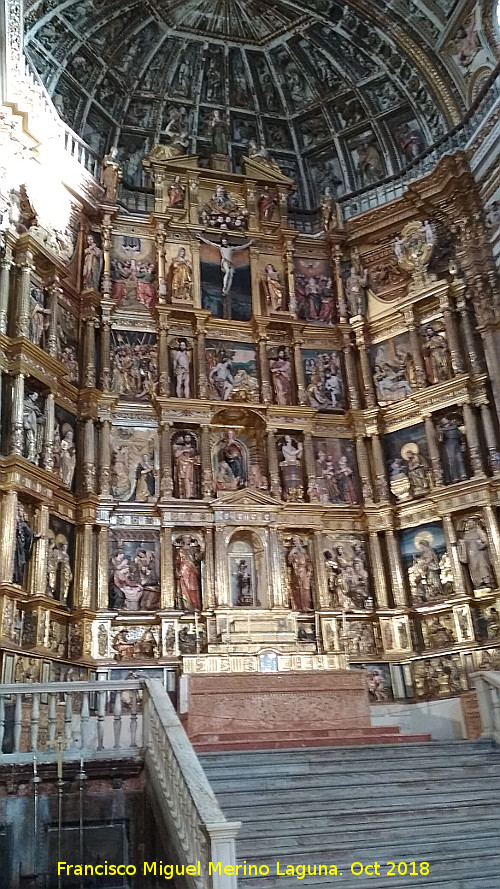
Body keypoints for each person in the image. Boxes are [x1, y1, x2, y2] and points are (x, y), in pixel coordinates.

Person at [197, 233, 254, 297]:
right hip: (225, 261)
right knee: (227, 272)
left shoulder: (231, 248)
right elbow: (210, 243)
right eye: (223, 242)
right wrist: (201, 238)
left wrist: (249, 243)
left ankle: (227, 291)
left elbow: (241, 247)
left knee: (231, 276)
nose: (224, 243)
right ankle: (224, 288)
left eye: (224, 241)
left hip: (230, 263)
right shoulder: (221, 247)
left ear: (227, 241)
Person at [458, 518, 494, 589]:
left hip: (480, 553)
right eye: (468, 523)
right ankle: (478, 583)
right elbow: (463, 545)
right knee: (474, 568)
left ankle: (487, 582)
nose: (469, 525)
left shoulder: (479, 531)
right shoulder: (466, 534)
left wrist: (482, 545)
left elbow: (486, 542)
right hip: (471, 555)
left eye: (471, 523)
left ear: (475, 523)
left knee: (483, 566)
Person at [174, 536, 203, 611]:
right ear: (183, 540)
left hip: (192, 571)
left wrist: (202, 550)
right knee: (184, 588)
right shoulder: (180, 550)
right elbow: (176, 562)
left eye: (189, 538)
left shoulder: (193, 550)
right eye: (186, 538)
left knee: (193, 588)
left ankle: (195, 605)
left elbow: (198, 558)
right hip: (183, 570)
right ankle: (186, 606)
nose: (188, 540)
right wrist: (177, 571)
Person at [287, 536, 313, 612]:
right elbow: (289, 562)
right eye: (293, 541)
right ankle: (299, 607)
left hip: (304, 570)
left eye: (296, 541)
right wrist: (291, 553)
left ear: (300, 542)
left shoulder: (303, 551)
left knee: (306, 588)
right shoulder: (293, 552)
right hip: (296, 571)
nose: (294, 542)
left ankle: (306, 606)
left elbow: (308, 561)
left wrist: (309, 570)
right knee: (298, 588)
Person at [439, 416, 468, 483]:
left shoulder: (455, 428)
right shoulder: (443, 431)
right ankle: (455, 477)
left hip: (456, 444)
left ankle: (463, 474)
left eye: (446, 420)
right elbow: (442, 441)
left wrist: (462, 444)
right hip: (449, 446)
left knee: (460, 460)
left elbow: (460, 436)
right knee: (452, 461)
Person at [13, 505, 35, 585]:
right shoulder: (11, 520)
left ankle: (16, 578)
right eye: (18, 510)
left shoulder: (23, 524)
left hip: (19, 546)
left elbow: (30, 534)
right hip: (11, 545)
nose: (20, 513)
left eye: (21, 511)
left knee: (19, 562)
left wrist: (34, 535)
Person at [173, 434, 199, 500]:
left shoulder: (193, 449)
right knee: (182, 479)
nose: (187, 439)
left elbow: (195, 457)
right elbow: (176, 455)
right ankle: (182, 494)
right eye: (186, 437)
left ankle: (190, 494)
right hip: (181, 465)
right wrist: (183, 451)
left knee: (189, 479)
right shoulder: (181, 448)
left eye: (188, 437)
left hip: (190, 466)